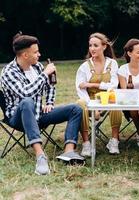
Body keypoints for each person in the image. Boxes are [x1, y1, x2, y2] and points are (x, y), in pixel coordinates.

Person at [0, 33, 85, 175]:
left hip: (40, 114)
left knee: (75, 109)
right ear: (25, 55)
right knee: (27, 102)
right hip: (18, 118)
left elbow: (51, 85)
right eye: (35, 52)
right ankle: (40, 156)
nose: (39, 54)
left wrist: (50, 102)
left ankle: (69, 151)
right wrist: (45, 74)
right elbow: (25, 93)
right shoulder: (9, 72)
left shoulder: (38, 66)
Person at [76, 32, 122, 155]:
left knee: (116, 102)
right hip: (89, 100)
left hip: (107, 99)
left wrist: (93, 84)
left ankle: (114, 141)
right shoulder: (84, 66)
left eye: (95, 45)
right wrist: (92, 106)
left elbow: (113, 85)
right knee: (79, 104)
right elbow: (80, 88)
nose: (92, 49)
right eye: (90, 45)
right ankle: (86, 144)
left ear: (104, 46)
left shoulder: (112, 63)